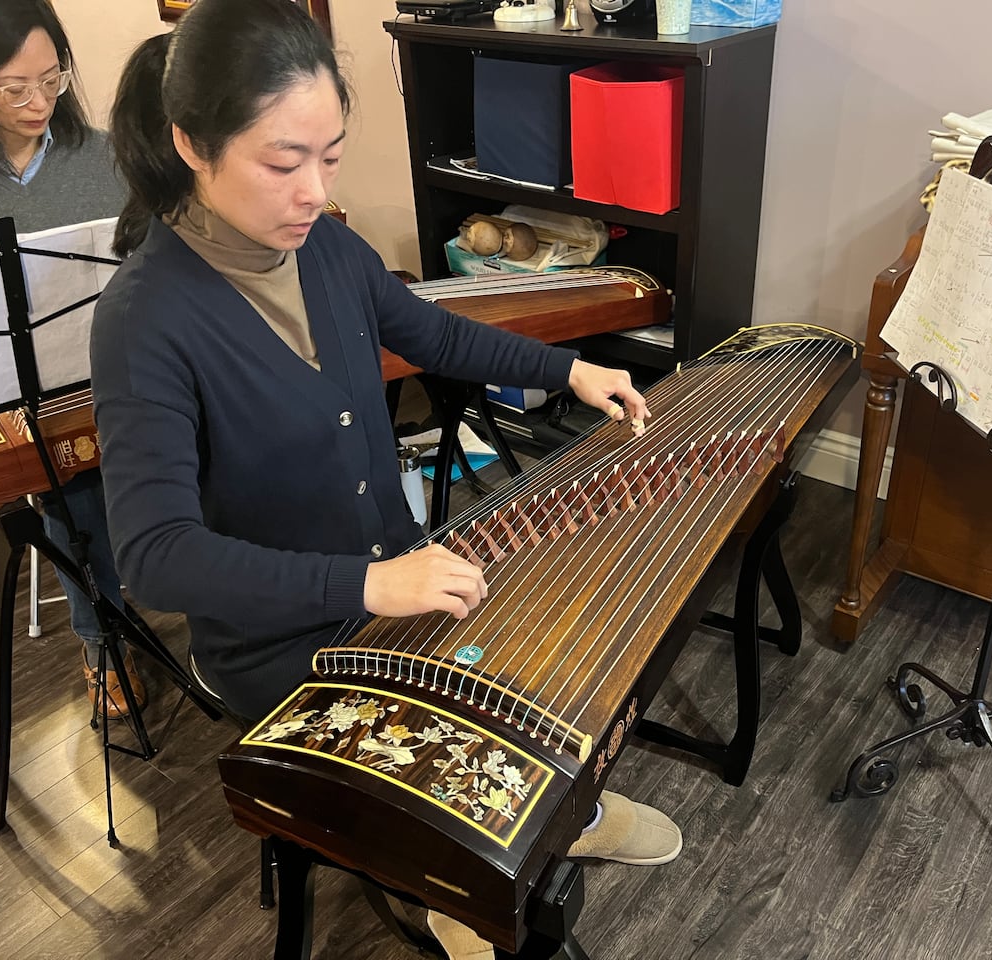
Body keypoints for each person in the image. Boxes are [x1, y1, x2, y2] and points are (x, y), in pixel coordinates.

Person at [93, 1, 680, 956]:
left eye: (330, 156)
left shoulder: (325, 246)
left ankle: (561, 813)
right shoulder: (144, 320)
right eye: (284, 162)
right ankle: (451, 873)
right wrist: (366, 584)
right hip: (279, 638)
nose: (316, 191)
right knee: (449, 702)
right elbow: (155, 558)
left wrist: (571, 368)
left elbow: (434, 331)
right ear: (192, 145)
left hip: (390, 572)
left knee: (529, 644)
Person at [0, 0, 144, 718]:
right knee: (70, 470)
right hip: (14, 396)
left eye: (53, 78)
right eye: (13, 87)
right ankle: (101, 637)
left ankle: (232, 612)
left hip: (120, 366)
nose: (39, 102)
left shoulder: (107, 154)